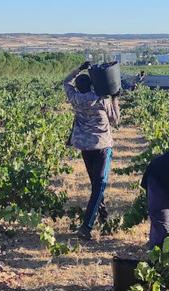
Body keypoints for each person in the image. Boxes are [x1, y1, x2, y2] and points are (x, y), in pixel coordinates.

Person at [64, 61, 121, 240]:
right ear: (91, 85)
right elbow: (115, 120)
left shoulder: (74, 98)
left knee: (96, 184)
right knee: (100, 185)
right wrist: (115, 98)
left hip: (85, 147)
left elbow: (66, 82)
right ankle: (86, 226)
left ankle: (104, 218)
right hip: (102, 146)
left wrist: (78, 69)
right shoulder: (102, 99)